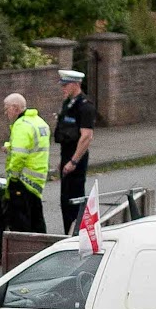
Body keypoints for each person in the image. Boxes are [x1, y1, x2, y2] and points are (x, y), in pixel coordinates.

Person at [54, 69, 96, 234]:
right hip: (67, 155)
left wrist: (73, 161)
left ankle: (77, 233)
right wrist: (64, 161)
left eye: (66, 85)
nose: (63, 88)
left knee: (75, 199)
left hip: (76, 160)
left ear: (76, 84)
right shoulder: (68, 104)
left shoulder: (85, 106)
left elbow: (86, 137)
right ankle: (68, 232)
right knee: (65, 200)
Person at [2, 93, 50, 236]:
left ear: (15, 108)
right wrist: (9, 146)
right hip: (37, 181)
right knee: (36, 221)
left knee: (20, 225)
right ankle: (42, 250)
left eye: (7, 109)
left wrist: (14, 178)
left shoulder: (21, 126)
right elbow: (32, 147)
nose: (6, 113)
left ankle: (23, 255)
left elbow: (19, 156)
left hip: (23, 181)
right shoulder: (39, 122)